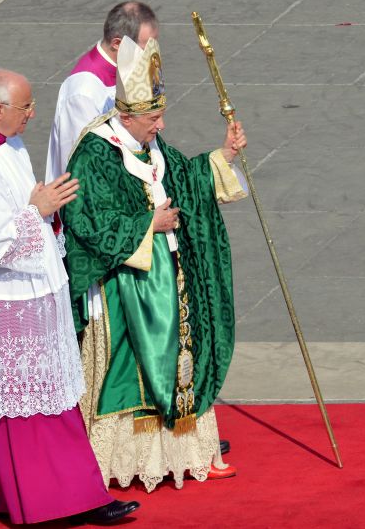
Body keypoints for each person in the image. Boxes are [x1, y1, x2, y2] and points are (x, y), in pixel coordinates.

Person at [0, 69, 139, 524]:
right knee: (35, 409)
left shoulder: (8, 144)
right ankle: (67, 500)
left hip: (29, 294)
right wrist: (39, 210)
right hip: (2, 302)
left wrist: (43, 206)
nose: (33, 114)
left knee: (9, 403)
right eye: (26, 107)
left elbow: (25, 205)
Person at [61, 36, 247, 492]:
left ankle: (191, 453)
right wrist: (150, 223)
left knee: (187, 353)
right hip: (125, 285)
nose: (161, 126)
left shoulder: (148, 142)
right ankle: (118, 461)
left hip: (169, 276)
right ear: (125, 116)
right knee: (134, 368)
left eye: (161, 115)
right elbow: (86, 219)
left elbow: (183, 175)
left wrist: (222, 157)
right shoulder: (96, 153)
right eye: (153, 118)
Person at [46, 1, 159, 185]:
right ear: (118, 44)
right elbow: (82, 162)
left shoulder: (130, 68)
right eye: (146, 46)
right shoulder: (83, 91)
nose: (152, 54)